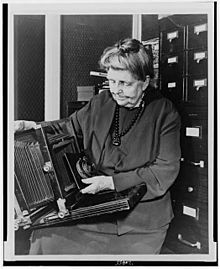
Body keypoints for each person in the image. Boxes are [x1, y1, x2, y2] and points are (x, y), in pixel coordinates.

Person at [15, 38, 181, 255]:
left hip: (141, 222)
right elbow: (68, 126)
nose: (116, 90)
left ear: (145, 82)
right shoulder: (101, 102)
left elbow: (164, 171)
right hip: (99, 211)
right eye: (112, 81)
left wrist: (111, 182)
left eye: (125, 83)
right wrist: (33, 126)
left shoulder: (165, 113)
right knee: (44, 238)